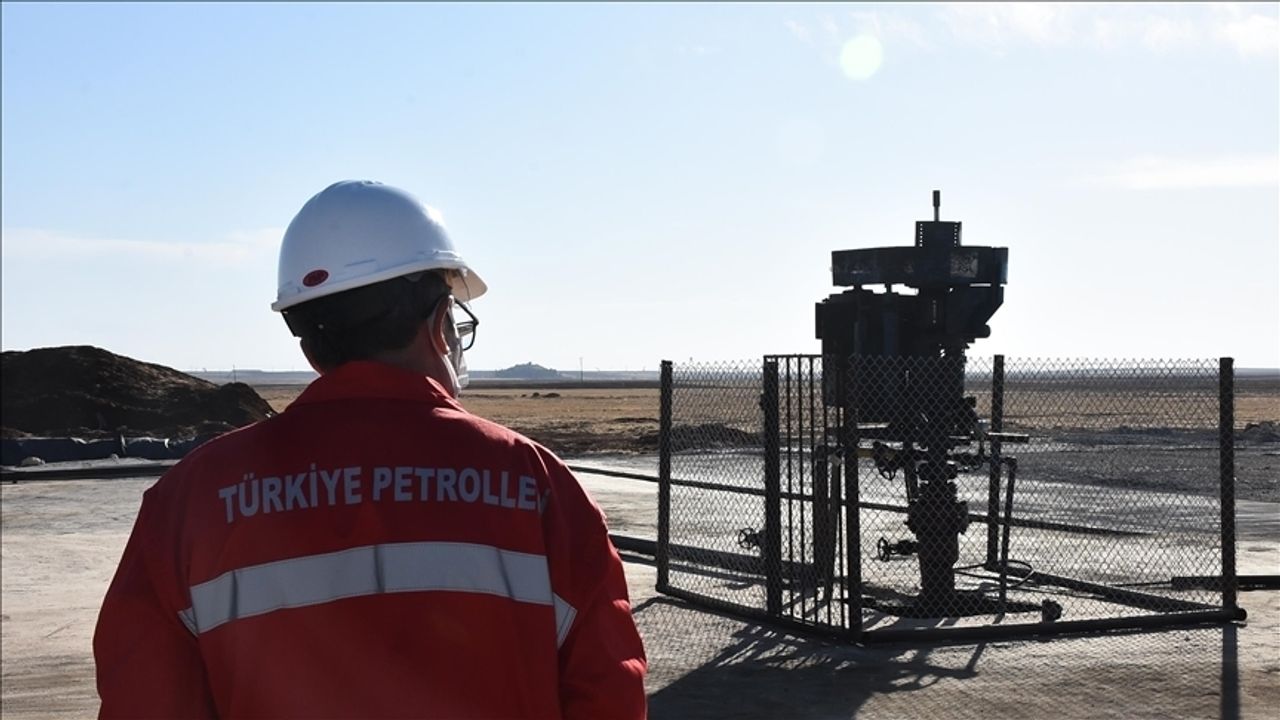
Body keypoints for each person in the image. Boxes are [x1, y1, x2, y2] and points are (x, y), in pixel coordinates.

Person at [94, 180, 647, 719]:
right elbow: (609, 696)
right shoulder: (538, 487)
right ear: (439, 326)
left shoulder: (189, 501)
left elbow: (145, 698)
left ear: (311, 348)